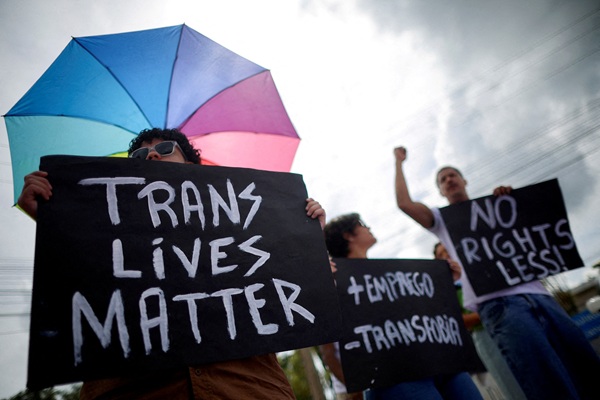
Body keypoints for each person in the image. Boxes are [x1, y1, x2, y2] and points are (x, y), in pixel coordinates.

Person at [18, 127, 328, 400]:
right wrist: (52, 219)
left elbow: (285, 290)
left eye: (165, 148)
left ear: (192, 167)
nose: (152, 155)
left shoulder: (241, 225)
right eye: (140, 155)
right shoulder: (98, 232)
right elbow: (79, 294)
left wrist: (305, 233)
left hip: (247, 387)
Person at [394, 145, 600, 400]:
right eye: (442, 180)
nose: (448, 180)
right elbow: (405, 204)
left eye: (452, 175)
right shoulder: (441, 220)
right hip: (500, 306)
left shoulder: (499, 206)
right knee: (546, 381)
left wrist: (510, 201)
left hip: (540, 296)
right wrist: (398, 162)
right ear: (441, 191)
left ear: (464, 181)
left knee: (585, 365)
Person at [323, 213, 482, 400]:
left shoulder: (391, 276)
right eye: (361, 224)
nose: (368, 227)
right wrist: (357, 383)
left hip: (440, 361)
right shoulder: (332, 283)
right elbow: (328, 350)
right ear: (348, 235)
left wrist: (443, 282)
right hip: (395, 378)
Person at [434, 243, 525, 400]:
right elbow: (458, 320)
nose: (446, 256)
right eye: (440, 255)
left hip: (512, 327)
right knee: (512, 383)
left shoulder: (478, 271)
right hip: (484, 335)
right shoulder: (445, 290)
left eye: (447, 251)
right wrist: (490, 309)